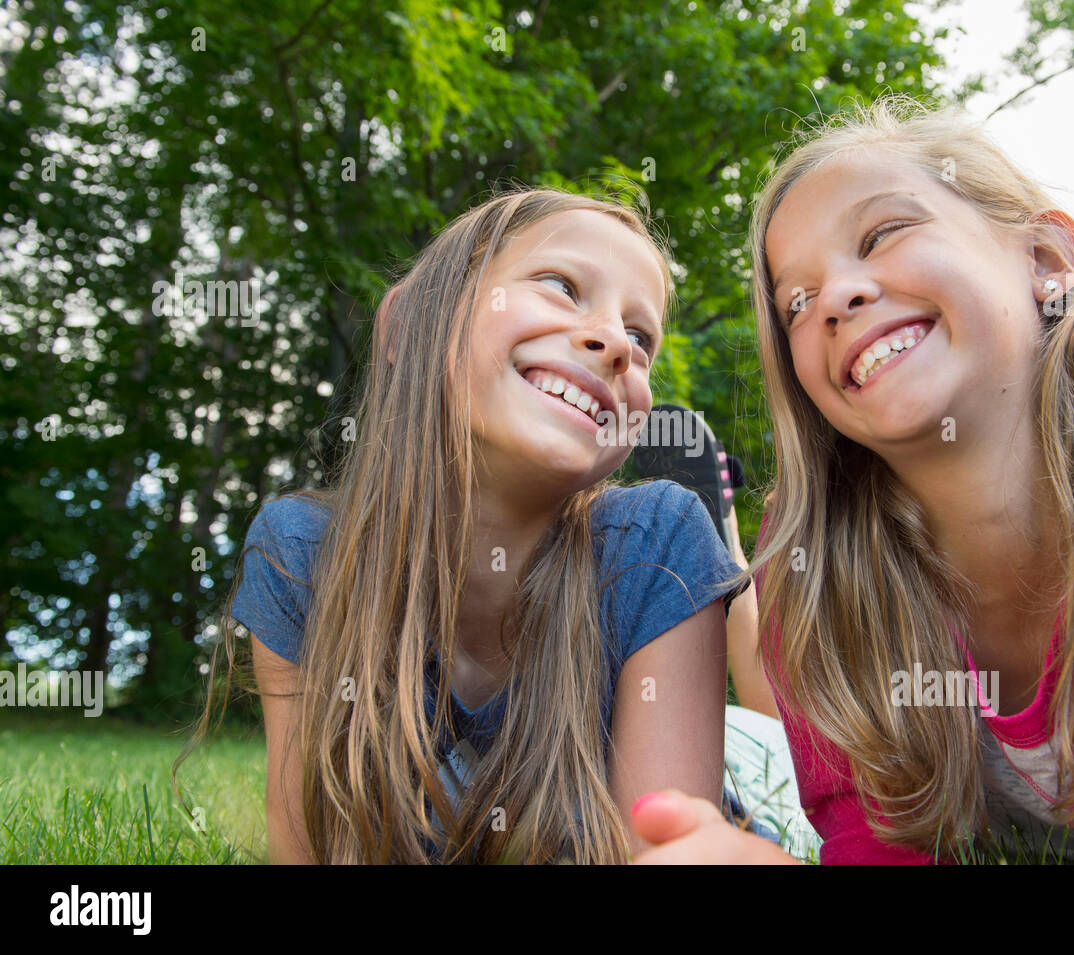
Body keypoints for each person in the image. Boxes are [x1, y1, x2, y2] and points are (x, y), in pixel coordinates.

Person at [633, 94, 1074, 865]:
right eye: (797, 302)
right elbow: (882, 847)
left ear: (1046, 261)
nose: (838, 297)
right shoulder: (820, 583)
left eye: (884, 233)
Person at [177, 188, 745, 864]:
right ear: (412, 325)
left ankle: (727, 527)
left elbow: (663, 854)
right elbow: (311, 850)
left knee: (776, 760)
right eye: (562, 286)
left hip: (742, 773)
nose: (617, 342)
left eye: (642, 337)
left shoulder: (660, 540)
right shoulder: (302, 553)